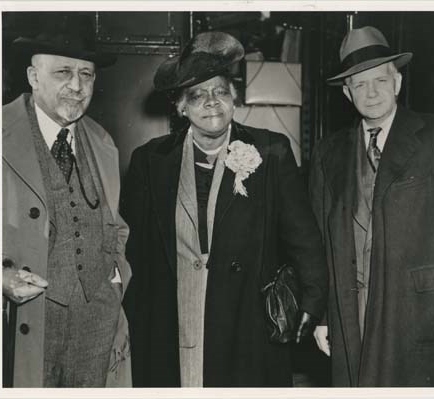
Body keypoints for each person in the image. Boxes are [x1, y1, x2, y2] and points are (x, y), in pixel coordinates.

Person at [121, 31, 328, 387]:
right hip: (174, 316)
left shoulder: (270, 150)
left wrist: (314, 300)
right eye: (197, 95)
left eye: (219, 91)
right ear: (180, 106)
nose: (211, 102)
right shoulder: (150, 160)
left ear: (234, 98)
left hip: (247, 321)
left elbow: (302, 235)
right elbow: (135, 249)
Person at [309, 26, 434, 387]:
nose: (371, 93)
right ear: (346, 92)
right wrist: (324, 315)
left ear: (397, 83)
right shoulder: (327, 152)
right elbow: (320, 240)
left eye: (380, 81)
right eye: (360, 84)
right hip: (350, 312)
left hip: (419, 313)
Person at [2, 14, 132, 387]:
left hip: (98, 325)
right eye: (63, 73)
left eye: (86, 75)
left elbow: (116, 224)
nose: (77, 86)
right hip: (29, 322)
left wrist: (116, 276)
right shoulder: (0, 133)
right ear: (33, 77)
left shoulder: (102, 141)